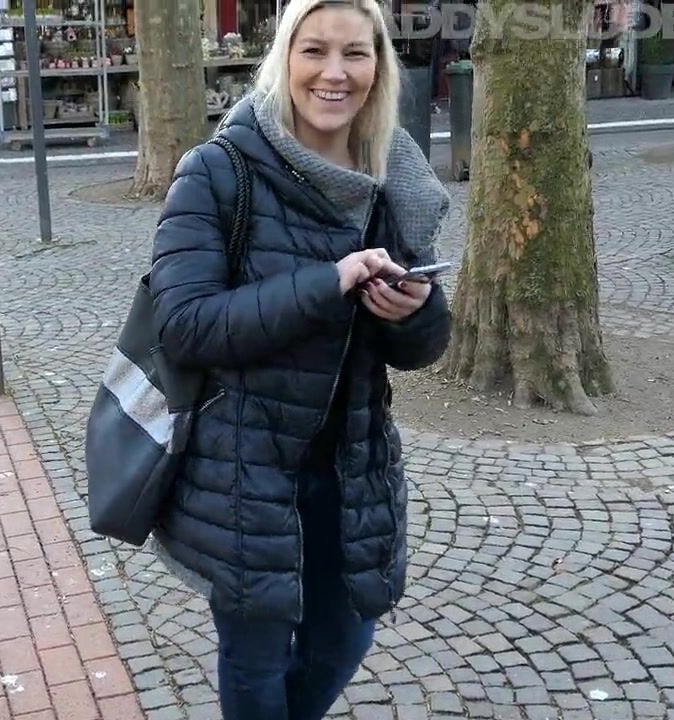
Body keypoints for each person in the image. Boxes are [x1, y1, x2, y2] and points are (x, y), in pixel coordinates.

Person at [145, 0, 451, 717]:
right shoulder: (218, 170)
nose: (334, 73)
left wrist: (415, 311)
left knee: (343, 637)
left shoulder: (394, 179)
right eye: (314, 51)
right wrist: (327, 282)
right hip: (243, 469)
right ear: (284, 59)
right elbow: (184, 325)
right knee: (255, 657)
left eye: (355, 53)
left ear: (380, 67)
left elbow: (419, 349)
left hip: (351, 465)